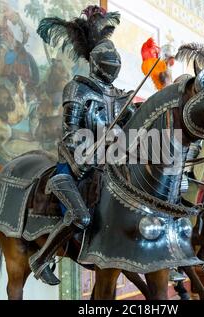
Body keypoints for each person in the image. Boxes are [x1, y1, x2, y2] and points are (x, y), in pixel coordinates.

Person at [29, 6, 135, 285]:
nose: (113, 69)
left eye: (116, 64)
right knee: (80, 217)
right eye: (109, 64)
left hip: (108, 169)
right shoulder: (78, 90)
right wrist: (83, 158)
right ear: (97, 64)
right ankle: (40, 260)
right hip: (71, 168)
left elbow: (131, 132)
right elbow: (69, 133)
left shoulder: (120, 96)